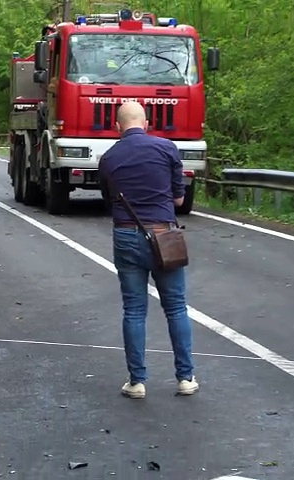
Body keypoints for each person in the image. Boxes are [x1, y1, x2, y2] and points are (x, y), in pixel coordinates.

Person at [98, 101, 198, 399]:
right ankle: (185, 378)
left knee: (134, 310)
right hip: (164, 235)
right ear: (146, 123)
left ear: (117, 126)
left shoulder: (108, 158)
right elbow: (179, 200)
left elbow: (109, 201)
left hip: (127, 235)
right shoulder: (167, 149)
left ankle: (137, 381)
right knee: (176, 307)